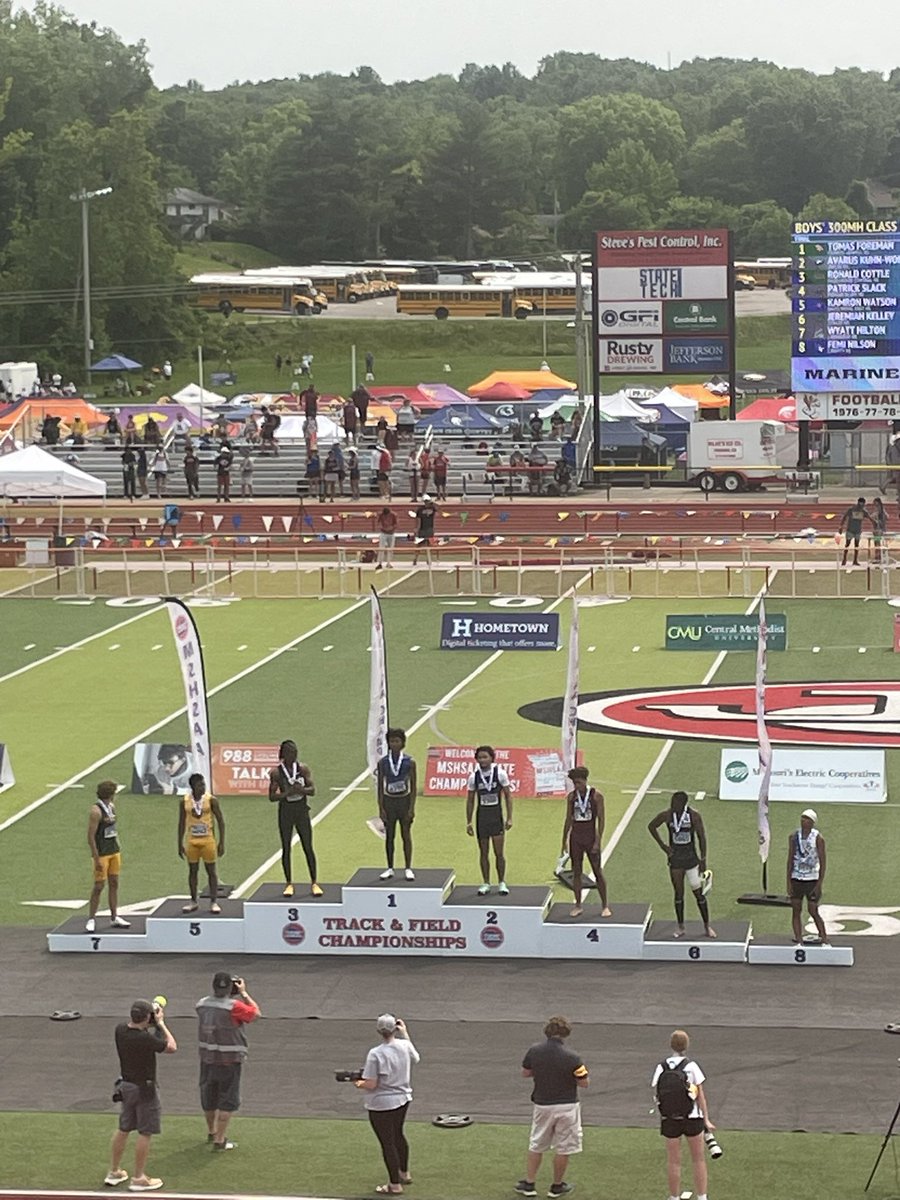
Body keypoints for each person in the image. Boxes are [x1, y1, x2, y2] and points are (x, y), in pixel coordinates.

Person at [105, 998, 176, 1191]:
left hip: (126, 1086)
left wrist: (150, 1020)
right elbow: (171, 1046)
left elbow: (141, 1031)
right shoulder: (145, 1039)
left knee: (124, 1128)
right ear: (147, 1017)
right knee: (145, 1132)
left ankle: (114, 1171)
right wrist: (160, 1023)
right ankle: (139, 1177)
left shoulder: (120, 1030)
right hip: (145, 1089)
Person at [514, 1016, 589, 1198]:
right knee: (563, 1148)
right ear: (565, 1034)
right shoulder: (572, 1056)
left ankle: (530, 1184)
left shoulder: (535, 1051)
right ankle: (556, 1186)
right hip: (567, 1105)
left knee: (537, 1143)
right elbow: (584, 1082)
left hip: (543, 1104)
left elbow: (525, 1072)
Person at [195, 971, 260, 1151]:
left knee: (209, 1097)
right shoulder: (234, 1006)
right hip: (229, 1060)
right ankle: (220, 1140)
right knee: (227, 1101)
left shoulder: (201, 1005)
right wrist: (244, 993)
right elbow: (256, 1014)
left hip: (208, 1058)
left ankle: (212, 1131)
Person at [355, 1014, 419, 1195]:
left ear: (378, 1031)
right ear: (394, 1029)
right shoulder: (405, 1046)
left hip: (381, 1104)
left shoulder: (375, 1053)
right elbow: (416, 1058)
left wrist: (357, 1083)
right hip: (403, 1099)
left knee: (387, 1143)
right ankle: (404, 1173)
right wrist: (405, 1034)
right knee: (398, 1135)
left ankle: (394, 1184)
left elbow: (371, 1084)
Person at [651, 1029, 714, 1200]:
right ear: (687, 1046)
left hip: (670, 1119)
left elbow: (657, 1092)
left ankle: (674, 1197)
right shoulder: (691, 1066)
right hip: (692, 1117)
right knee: (698, 1159)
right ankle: (702, 1196)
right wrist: (706, 1119)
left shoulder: (661, 1067)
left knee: (673, 1161)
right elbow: (700, 1095)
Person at [648, 791, 716, 939]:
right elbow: (651, 826)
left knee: (699, 894)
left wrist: (703, 860)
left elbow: (701, 837)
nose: (673, 806)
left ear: (683, 804)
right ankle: (680, 926)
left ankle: (707, 926)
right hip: (676, 860)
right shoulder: (667, 815)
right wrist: (663, 846)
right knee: (678, 894)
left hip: (691, 859)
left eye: (676, 804)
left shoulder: (693, 816)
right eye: (672, 803)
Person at [268, 739, 322, 897]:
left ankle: (314, 882)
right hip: (286, 812)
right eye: (291, 753)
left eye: (295, 752)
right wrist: (287, 794)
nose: (294, 755)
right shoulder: (276, 773)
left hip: (301, 811)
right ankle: (289, 883)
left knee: (308, 846)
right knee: (286, 847)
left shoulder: (303, 769)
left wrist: (302, 790)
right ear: (284, 755)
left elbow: (312, 790)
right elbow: (271, 796)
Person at [560, 767, 611, 918]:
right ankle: (577, 904)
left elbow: (601, 819)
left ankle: (605, 905)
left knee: (597, 871)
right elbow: (568, 819)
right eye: (574, 783)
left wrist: (598, 841)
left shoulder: (596, 796)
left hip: (590, 837)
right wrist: (564, 840)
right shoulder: (571, 797)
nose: (577, 786)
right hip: (576, 837)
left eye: (579, 783)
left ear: (585, 781)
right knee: (576, 872)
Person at [466, 745, 512, 896]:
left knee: (499, 852)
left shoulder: (500, 774)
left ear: (492, 758)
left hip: (496, 816)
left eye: (485, 757)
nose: (483, 760)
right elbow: (471, 800)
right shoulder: (474, 777)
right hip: (482, 817)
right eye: (480, 757)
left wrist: (510, 817)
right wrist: (469, 821)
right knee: (483, 852)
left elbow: (508, 796)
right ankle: (486, 882)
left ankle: (502, 882)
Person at [86, 780, 131, 933]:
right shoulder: (96, 811)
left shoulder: (111, 807)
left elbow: (112, 829)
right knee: (99, 886)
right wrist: (96, 858)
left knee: (114, 883)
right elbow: (91, 836)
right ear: (111, 794)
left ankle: (114, 916)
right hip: (102, 854)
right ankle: (91, 918)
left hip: (114, 851)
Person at [178, 773, 225, 915]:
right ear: (193, 787)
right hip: (192, 841)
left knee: (211, 871)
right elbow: (181, 822)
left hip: (207, 840)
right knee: (193, 871)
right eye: (200, 785)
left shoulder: (211, 800)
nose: (203, 787)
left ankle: (213, 901)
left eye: (204, 784)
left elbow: (220, 821)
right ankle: (193, 901)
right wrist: (179, 843)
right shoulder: (185, 801)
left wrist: (222, 842)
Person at [377, 728, 416, 881]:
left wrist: (412, 808)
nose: (394, 744)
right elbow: (380, 786)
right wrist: (381, 808)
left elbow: (413, 786)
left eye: (397, 741)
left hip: (404, 800)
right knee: (389, 836)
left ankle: (408, 867)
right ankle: (390, 867)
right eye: (392, 741)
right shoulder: (383, 763)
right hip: (389, 801)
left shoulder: (409, 762)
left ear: (403, 743)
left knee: (406, 834)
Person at [787, 807, 829, 946]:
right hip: (797, 877)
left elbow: (823, 861)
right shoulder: (794, 837)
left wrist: (819, 883)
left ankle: (824, 937)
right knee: (796, 909)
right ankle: (798, 939)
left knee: (812, 909)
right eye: (802, 818)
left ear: (812, 822)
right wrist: (788, 882)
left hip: (812, 878)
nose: (803, 821)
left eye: (806, 819)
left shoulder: (818, 838)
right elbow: (790, 859)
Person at [839, 496, 874, 567]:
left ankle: (855, 560)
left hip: (858, 531)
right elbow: (844, 517)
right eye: (861, 504)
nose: (862, 506)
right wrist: (841, 526)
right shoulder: (851, 509)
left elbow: (870, 518)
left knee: (856, 545)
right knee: (847, 544)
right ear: (858, 503)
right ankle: (844, 559)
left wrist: (875, 523)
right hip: (850, 530)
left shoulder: (864, 511)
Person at [412, 494, 436, 565]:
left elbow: (439, 509)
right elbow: (418, 520)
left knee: (428, 545)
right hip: (422, 528)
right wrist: (417, 529)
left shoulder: (433, 508)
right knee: (419, 544)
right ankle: (415, 559)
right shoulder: (420, 509)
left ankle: (428, 559)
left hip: (429, 528)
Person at [882, 432, 900, 497]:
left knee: (895, 478)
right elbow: (888, 456)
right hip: (896, 465)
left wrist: (889, 464)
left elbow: (887, 456)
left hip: (893, 464)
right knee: (895, 478)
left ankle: (883, 487)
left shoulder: (891, 446)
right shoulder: (893, 446)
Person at [872, 495, 888, 563]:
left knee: (877, 543)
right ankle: (878, 557)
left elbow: (886, 517)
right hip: (877, 529)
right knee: (877, 543)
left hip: (879, 530)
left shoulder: (880, 510)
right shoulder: (881, 509)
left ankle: (878, 558)